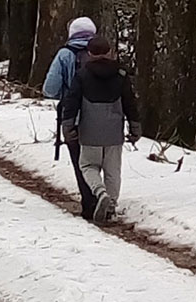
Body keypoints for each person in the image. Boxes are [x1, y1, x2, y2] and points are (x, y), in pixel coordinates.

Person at [59, 36, 141, 223]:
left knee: (88, 166)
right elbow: (130, 102)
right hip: (114, 133)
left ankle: (100, 192)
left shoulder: (82, 75)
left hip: (89, 132)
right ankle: (110, 206)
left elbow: (71, 102)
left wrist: (68, 126)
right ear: (110, 52)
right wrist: (135, 127)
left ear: (89, 54)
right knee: (113, 172)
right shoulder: (121, 74)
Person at [42, 16, 98, 210]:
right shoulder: (100, 53)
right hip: (101, 115)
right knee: (98, 157)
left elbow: (49, 89)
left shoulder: (65, 54)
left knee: (78, 157)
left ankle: (89, 200)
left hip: (72, 116)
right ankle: (103, 194)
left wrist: (65, 95)